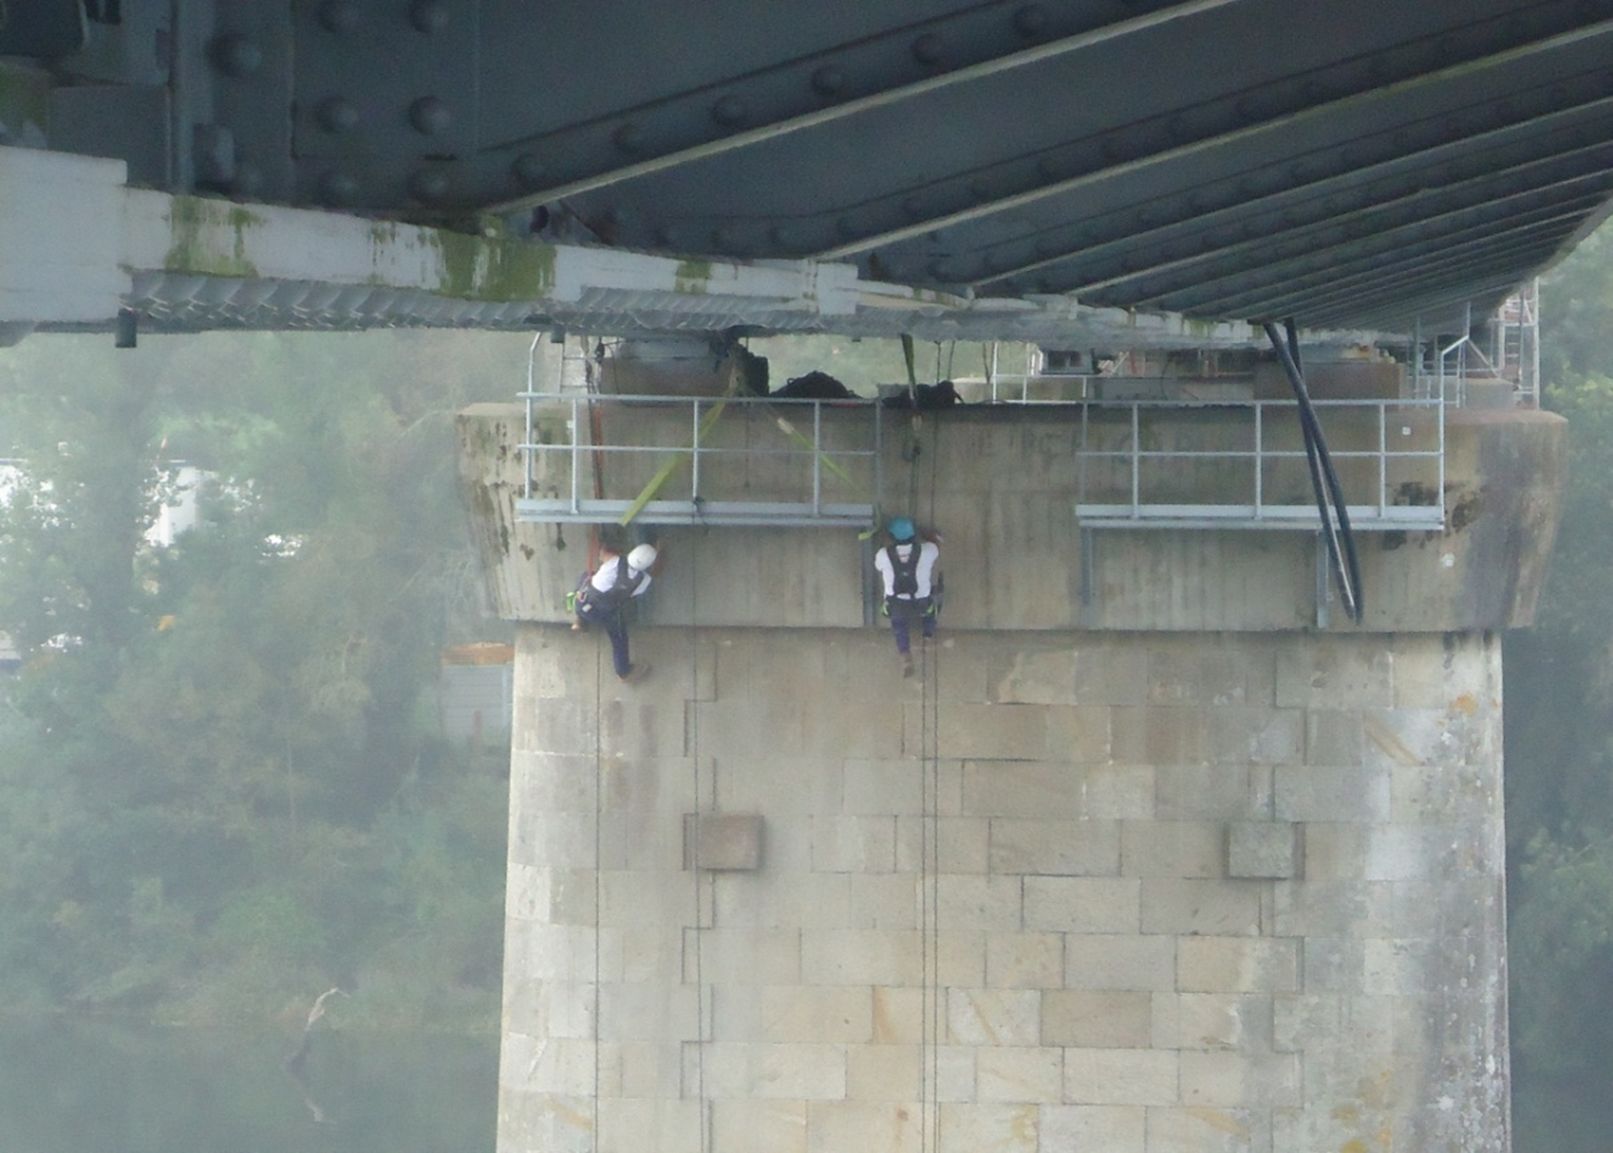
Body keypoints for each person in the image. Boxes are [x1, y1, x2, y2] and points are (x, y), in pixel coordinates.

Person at [572, 542, 657, 683]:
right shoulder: (643, 581)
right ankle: (624, 672)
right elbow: (634, 592)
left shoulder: (615, 560)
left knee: (585, 576)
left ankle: (579, 620)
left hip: (582, 603)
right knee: (619, 638)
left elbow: (603, 552)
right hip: (605, 613)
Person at [873, 516, 941, 677]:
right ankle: (927, 636)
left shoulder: (883, 554)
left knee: (898, 624)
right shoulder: (927, 550)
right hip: (922, 603)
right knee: (934, 605)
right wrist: (925, 532)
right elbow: (938, 541)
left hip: (895, 605)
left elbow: (878, 567)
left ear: (891, 536)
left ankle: (905, 655)